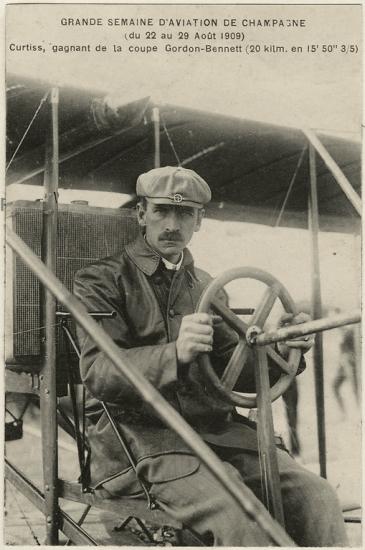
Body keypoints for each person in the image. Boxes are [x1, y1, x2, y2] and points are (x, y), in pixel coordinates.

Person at [74, 166, 348, 546]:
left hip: (218, 434)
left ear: (199, 220)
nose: (172, 224)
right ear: (141, 215)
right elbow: (98, 372)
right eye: (161, 211)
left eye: (185, 213)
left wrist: (283, 351)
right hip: (140, 444)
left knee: (317, 497)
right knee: (241, 518)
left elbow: (231, 372)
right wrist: (174, 354)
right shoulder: (99, 281)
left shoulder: (206, 286)